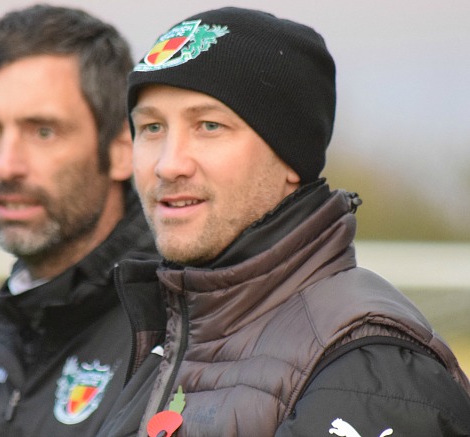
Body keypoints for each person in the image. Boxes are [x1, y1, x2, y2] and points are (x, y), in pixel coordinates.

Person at [98, 7, 470, 437]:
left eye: (210, 125)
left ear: (290, 157)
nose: (168, 164)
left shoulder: (370, 370)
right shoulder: (174, 333)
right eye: (151, 127)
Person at [0, 4, 157, 437]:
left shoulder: (171, 335)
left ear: (123, 149)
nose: (6, 166)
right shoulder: (18, 327)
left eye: (42, 131)